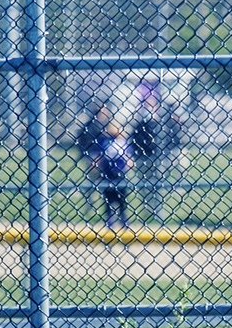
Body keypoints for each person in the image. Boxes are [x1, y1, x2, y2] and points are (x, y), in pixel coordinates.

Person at [128, 81, 182, 224]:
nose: (149, 108)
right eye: (147, 105)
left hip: (156, 158)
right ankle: (147, 211)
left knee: (157, 185)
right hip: (142, 157)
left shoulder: (161, 124)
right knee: (144, 185)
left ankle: (158, 212)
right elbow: (134, 139)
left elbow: (168, 139)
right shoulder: (139, 123)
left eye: (151, 105)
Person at [77, 103, 134, 227]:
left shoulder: (122, 141)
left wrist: (129, 164)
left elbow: (129, 156)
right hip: (108, 172)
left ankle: (123, 219)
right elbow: (98, 156)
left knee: (121, 197)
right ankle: (110, 219)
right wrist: (95, 166)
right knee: (108, 197)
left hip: (120, 172)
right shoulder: (103, 141)